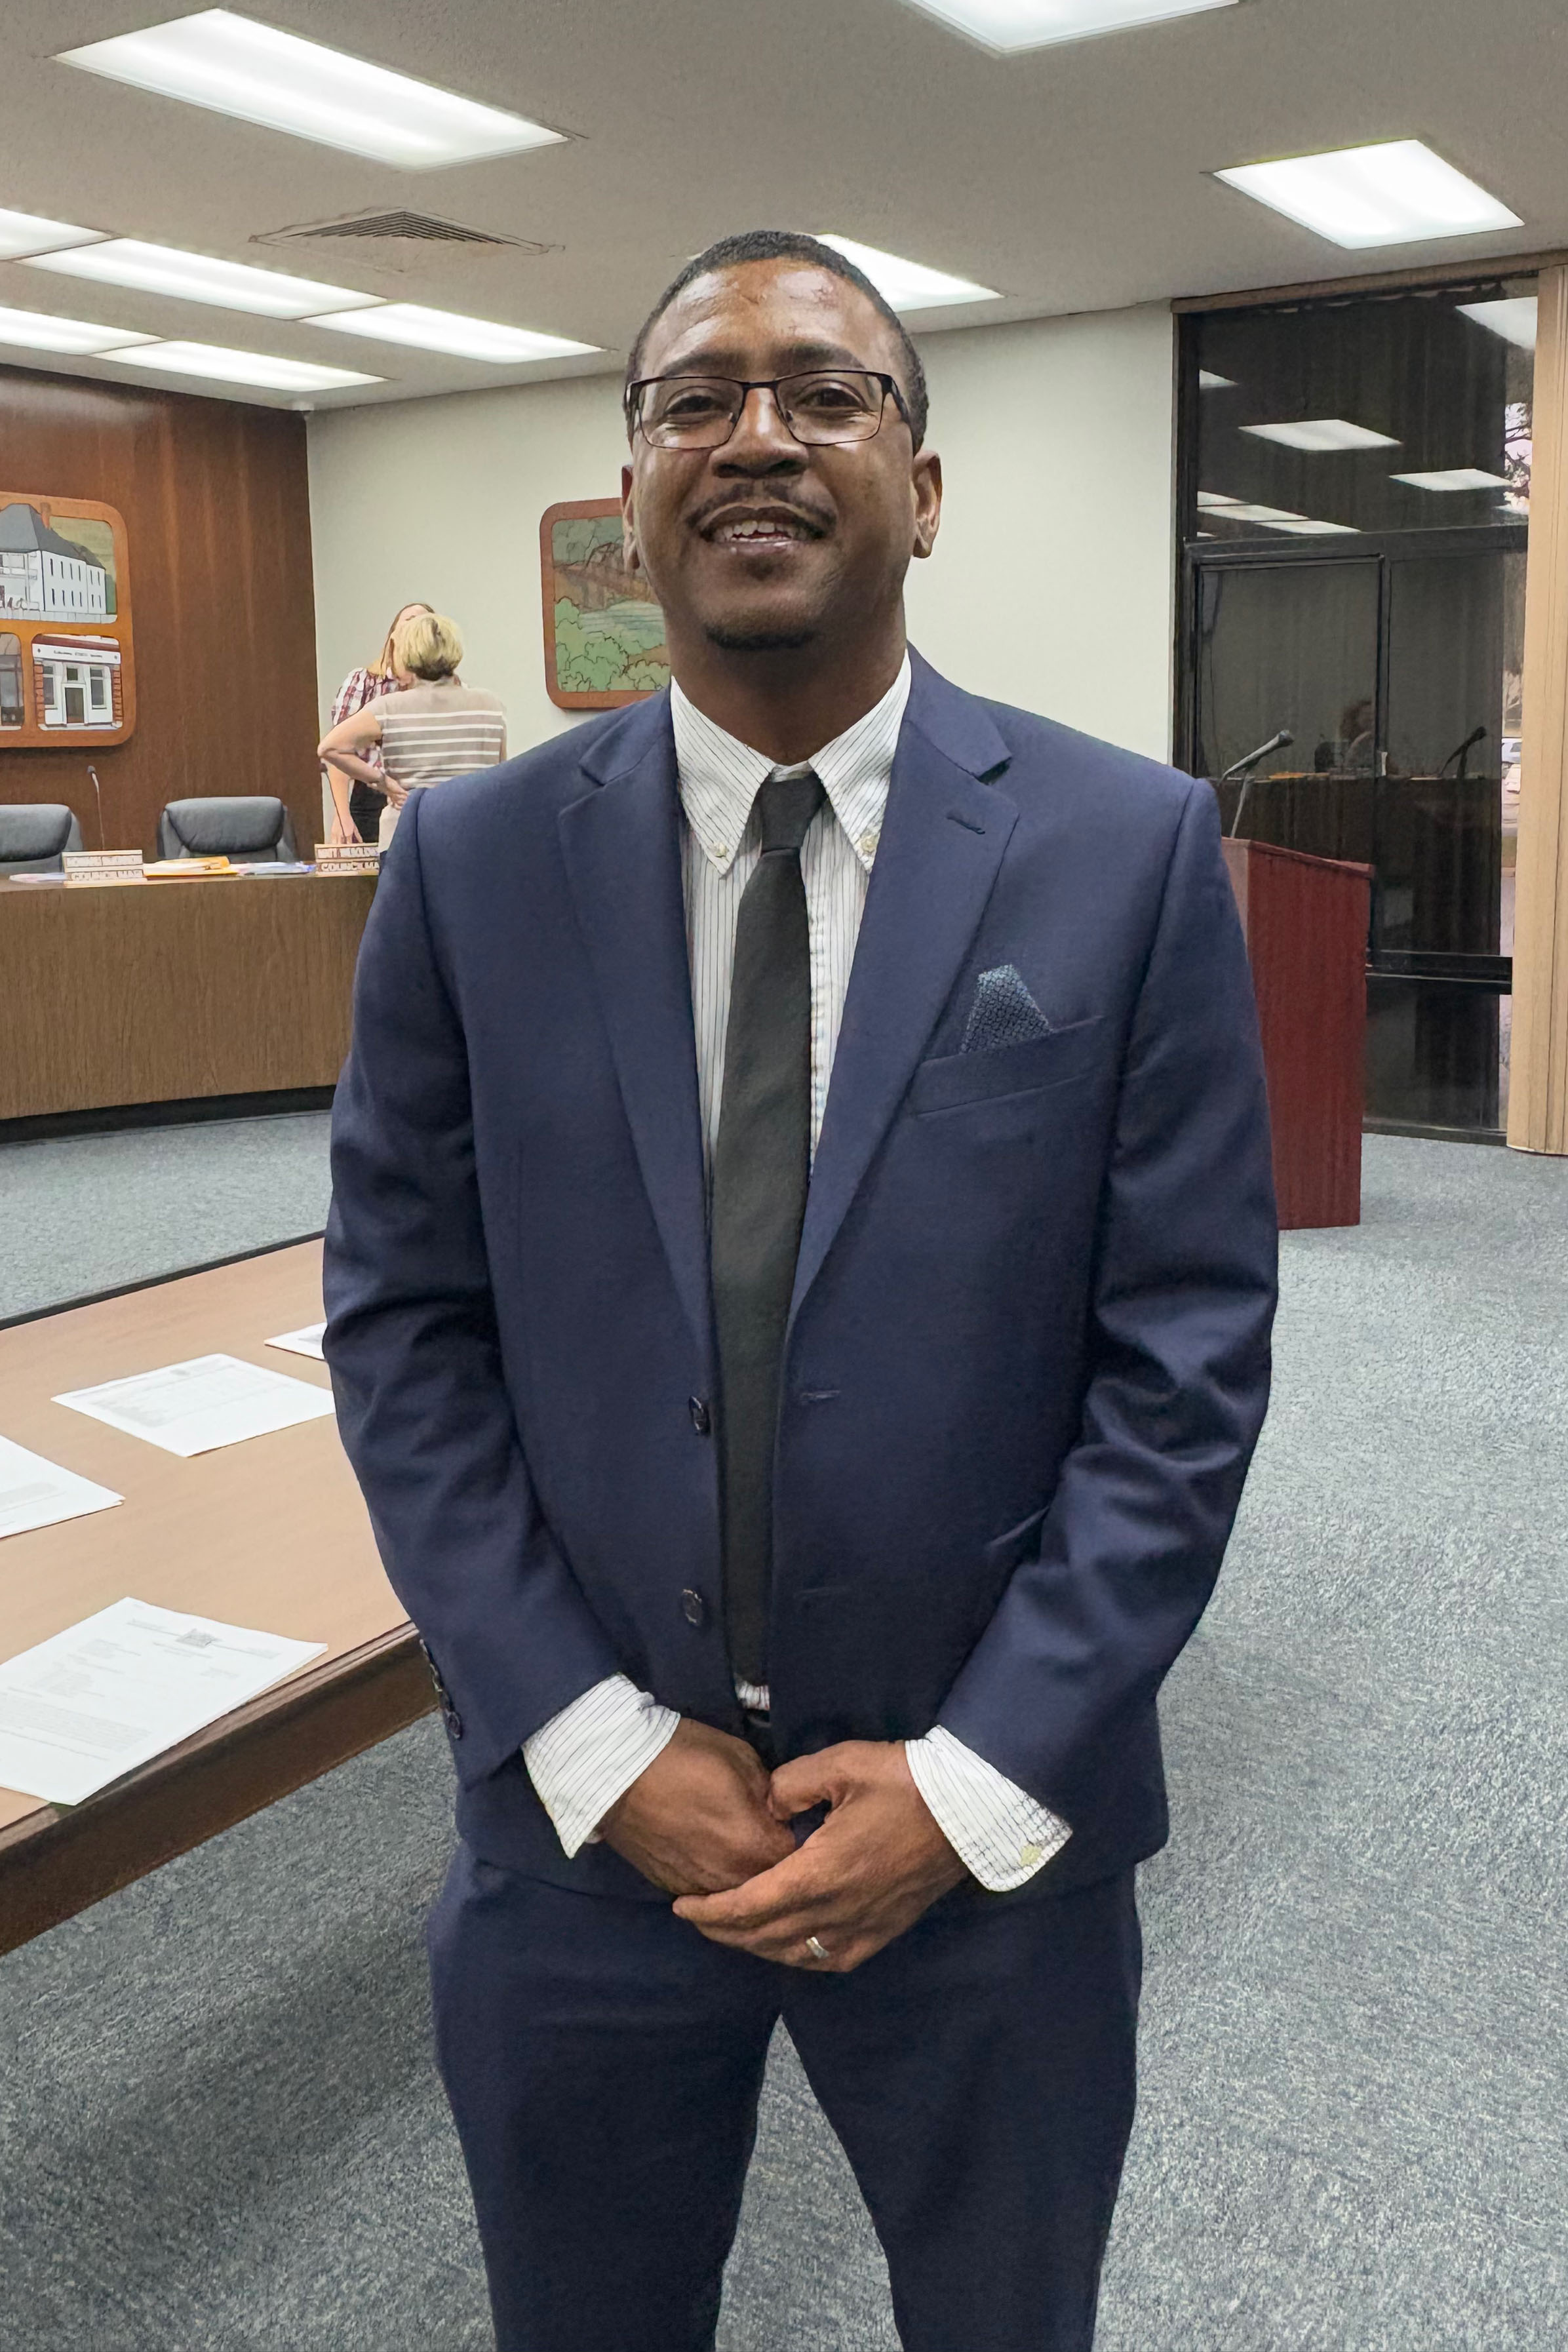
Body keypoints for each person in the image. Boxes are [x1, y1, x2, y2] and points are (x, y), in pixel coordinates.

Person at [324, 229, 1278, 2352]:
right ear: (635, 489)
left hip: (983, 1844)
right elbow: (402, 1322)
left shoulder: (1124, 853)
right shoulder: (467, 870)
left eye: (826, 391)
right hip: (583, 1834)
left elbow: (1184, 1362)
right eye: (695, 398)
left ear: (921, 486)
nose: (754, 432)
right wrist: (585, 1731)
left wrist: (971, 1778)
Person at [318, 611, 506, 850]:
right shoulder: (490, 705)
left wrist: (383, 782)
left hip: (408, 838)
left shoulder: (390, 707)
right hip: (474, 834)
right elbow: (500, 776)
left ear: (407, 655)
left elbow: (329, 748)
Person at [322, 600, 432, 844]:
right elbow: (337, 751)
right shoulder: (364, 682)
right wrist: (342, 816)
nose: (415, 625)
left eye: (422, 622)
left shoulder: (439, 690)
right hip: (372, 799)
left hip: (424, 799)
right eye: (409, 619)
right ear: (393, 633)